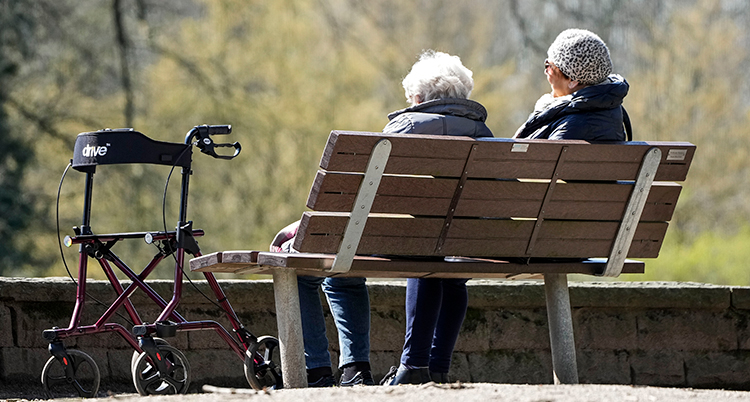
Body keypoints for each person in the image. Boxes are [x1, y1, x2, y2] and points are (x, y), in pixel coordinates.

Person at [381, 50, 494, 385]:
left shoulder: (404, 127)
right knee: (449, 268)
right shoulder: (485, 135)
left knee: (425, 250)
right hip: (468, 242)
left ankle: (413, 366)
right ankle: (438, 366)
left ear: (417, 98)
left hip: (404, 239)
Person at [270, 221, 374, 387]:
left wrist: (288, 232)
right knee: (344, 279)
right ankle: (356, 370)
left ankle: (316, 370)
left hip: (342, 231)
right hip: (379, 241)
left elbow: (336, 210)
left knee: (297, 274)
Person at [514, 28, 629, 141]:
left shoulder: (570, 126)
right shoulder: (610, 110)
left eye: (550, 67)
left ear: (573, 81)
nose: (546, 71)